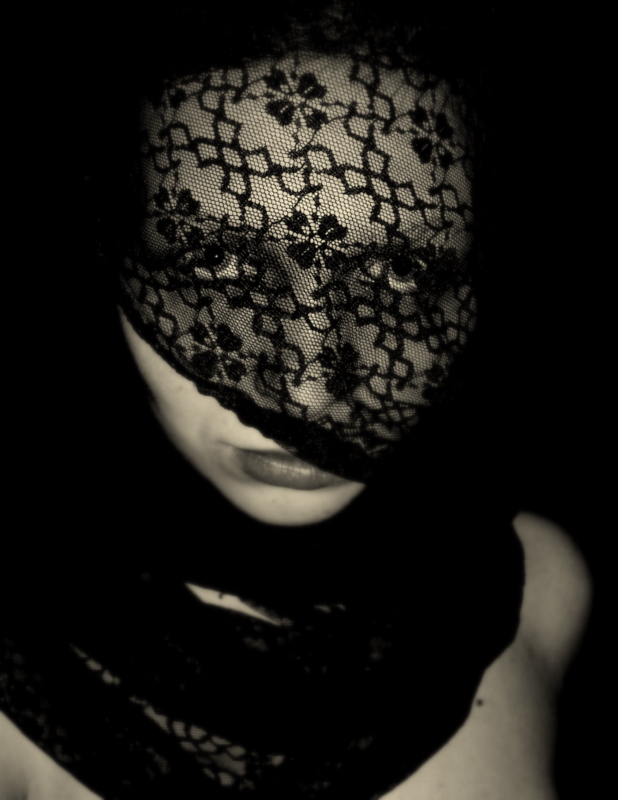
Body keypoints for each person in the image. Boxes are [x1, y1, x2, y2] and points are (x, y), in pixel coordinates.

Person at [1, 2, 592, 798]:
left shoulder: (537, 584)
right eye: (218, 266)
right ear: (107, 255)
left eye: (399, 275)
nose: (309, 389)